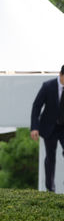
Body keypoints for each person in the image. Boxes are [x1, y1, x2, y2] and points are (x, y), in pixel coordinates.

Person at [30, 64, 64, 192]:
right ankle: (50, 188)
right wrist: (34, 127)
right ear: (61, 75)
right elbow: (37, 106)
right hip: (49, 127)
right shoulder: (48, 86)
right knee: (51, 157)